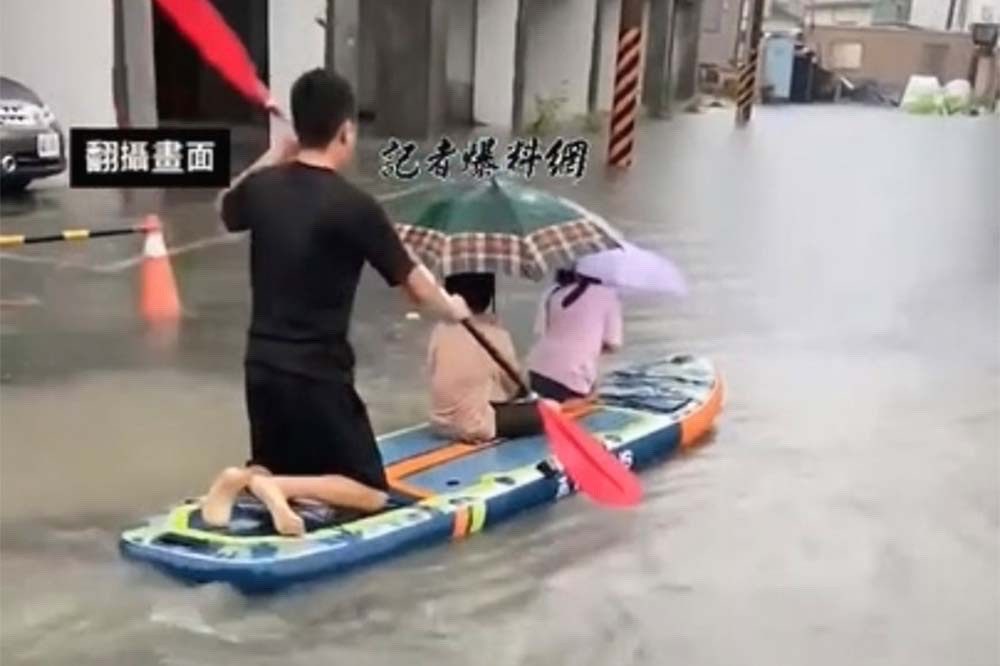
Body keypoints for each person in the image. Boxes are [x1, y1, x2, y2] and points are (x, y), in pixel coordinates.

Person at [199, 69, 471, 536]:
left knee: (275, 457)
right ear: (346, 131)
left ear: (298, 129)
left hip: (260, 366)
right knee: (371, 491)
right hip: (317, 373)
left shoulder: (264, 188)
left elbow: (224, 207)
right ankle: (276, 487)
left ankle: (252, 478)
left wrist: (271, 155)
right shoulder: (355, 206)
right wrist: (455, 310)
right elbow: (416, 287)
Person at [427, 272, 544, 442]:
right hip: (473, 425)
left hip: (440, 423)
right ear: (489, 296)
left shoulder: (440, 329)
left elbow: (433, 370)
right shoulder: (496, 334)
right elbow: (513, 387)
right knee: (548, 410)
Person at [527, 267, 623, 401]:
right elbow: (613, 344)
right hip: (573, 375)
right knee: (578, 416)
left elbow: (542, 331)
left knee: (550, 417)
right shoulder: (608, 295)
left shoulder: (551, 292)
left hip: (538, 368)